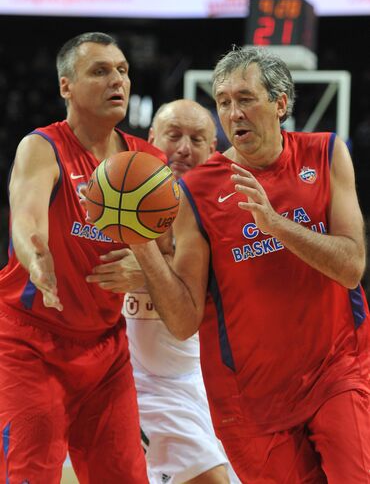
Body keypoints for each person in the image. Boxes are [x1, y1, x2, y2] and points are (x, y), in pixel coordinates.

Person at [128, 46, 370, 483]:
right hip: (248, 400)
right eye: (223, 102)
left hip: (335, 371)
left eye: (245, 98)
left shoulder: (326, 152)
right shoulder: (197, 191)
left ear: (280, 103)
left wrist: (276, 225)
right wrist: (141, 246)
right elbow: (183, 321)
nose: (233, 112)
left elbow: (351, 266)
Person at [0, 31, 170, 483]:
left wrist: (149, 269)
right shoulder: (42, 147)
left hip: (106, 349)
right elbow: (26, 218)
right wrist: (36, 258)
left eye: (122, 71)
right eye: (100, 71)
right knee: (30, 474)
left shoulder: (148, 162)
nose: (117, 79)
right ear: (66, 86)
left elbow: (177, 256)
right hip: (31, 341)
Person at [87, 99, 240, 483]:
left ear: (213, 152)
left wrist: (147, 272)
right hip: (143, 382)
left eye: (197, 139)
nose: (184, 148)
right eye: (173, 136)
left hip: (207, 382)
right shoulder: (110, 196)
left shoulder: (227, 211)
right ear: (152, 139)